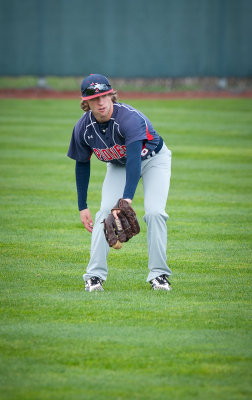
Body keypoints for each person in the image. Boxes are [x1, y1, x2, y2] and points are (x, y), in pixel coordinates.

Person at [67, 74, 172, 292]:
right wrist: (82, 205)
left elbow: (134, 160)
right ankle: (94, 277)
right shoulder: (82, 129)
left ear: (111, 95)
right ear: (85, 102)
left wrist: (126, 200)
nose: (102, 102)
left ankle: (159, 275)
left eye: (105, 96)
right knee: (103, 212)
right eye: (95, 98)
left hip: (154, 160)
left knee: (155, 213)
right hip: (118, 165)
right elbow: (82, 165)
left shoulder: (129, 119)